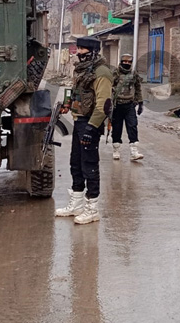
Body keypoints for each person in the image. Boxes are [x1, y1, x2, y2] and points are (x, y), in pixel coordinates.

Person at [55, 36, 113, 225]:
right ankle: (77, 204)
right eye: (78, 49)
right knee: (76, 164)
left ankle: (92, 208)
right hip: (79, 120)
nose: (78, 52)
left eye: (82, 49)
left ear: (93, 51)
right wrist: (66, 104)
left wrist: (91, 128)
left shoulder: (101, 72)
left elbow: (104, 104)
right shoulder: (82, 70)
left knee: (89, 165)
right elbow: (75, 91)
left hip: (90, 124)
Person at [110, 54, 144, 161]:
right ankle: (116, 149)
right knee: (117, 128)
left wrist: (140, 103)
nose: (127, 64)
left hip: (129, 105)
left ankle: (134, 151)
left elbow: (138, 88)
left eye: (129, 62)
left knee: (132, 126)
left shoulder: (134, 74)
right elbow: (108, 87)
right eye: (125, 62)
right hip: (117, 105)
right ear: (121, 62)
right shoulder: (115, 73)